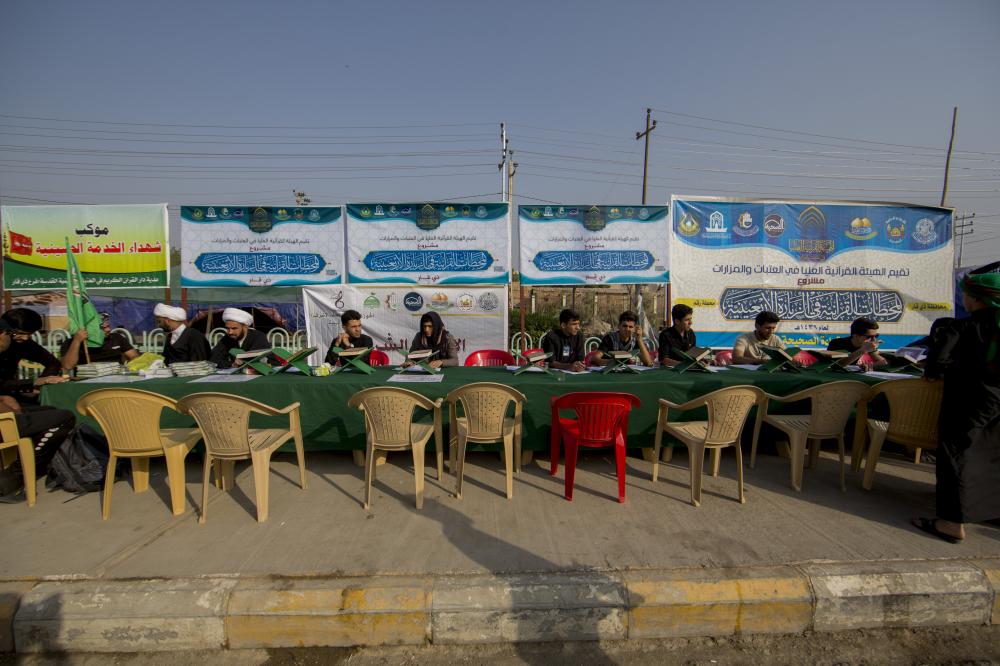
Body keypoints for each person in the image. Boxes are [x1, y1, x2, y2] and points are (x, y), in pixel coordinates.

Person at [912, 262, 1000, 544]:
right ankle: (990, 511)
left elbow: (937, 365)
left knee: (957, 455)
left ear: (974, 298)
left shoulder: (961, 327)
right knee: (992, 453)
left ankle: (950, 522)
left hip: (968, 399)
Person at [0, 319, 76, 503]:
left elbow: (52, 363)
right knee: (64, 418)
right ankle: (14, 476)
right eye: (13, 334)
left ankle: (31, 466)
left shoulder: (22, 346)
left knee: (50, 410)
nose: (19, 338)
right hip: (3, 421)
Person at [0, 308, 66, 400]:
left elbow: (52, 362)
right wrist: (34, 382)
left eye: (30, 334)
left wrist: (41, 384)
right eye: (21, 333)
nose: (26, 338)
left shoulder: (23, 344)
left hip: (10, 393)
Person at [60, 312, 140, 371]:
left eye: (108, 326)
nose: (108, 330)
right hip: (87, 379)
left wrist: (128, 368)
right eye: (103, 328)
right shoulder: (71, 343)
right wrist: (77, 341)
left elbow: (134, 357)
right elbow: (67, 366)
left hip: (116, 376)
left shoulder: (116, 337)